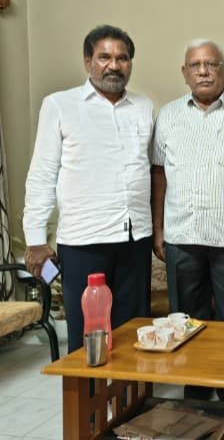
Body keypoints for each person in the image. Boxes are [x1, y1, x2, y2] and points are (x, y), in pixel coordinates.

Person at [23, 25, 154, 353]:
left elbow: (152, 170)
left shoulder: (144, 107)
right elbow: (42, 174)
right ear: (87, 62)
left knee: (133, 334)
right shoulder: (59, 105)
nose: (114, 65)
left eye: (122, 58)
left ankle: (127, 389)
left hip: (134, 239)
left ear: (131, 63)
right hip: (84, 242)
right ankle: (88, 389)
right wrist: (35, 239)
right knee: (88, 339)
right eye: (104, 57)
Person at [151, 39, 224, 401]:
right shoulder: (168, 116)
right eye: (195, 65)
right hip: (182, 234)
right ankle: (195, 392)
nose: (203, 71)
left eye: (211, 64)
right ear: (185, 74)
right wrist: (159, 228)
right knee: (185, 321)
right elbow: (159, 174)